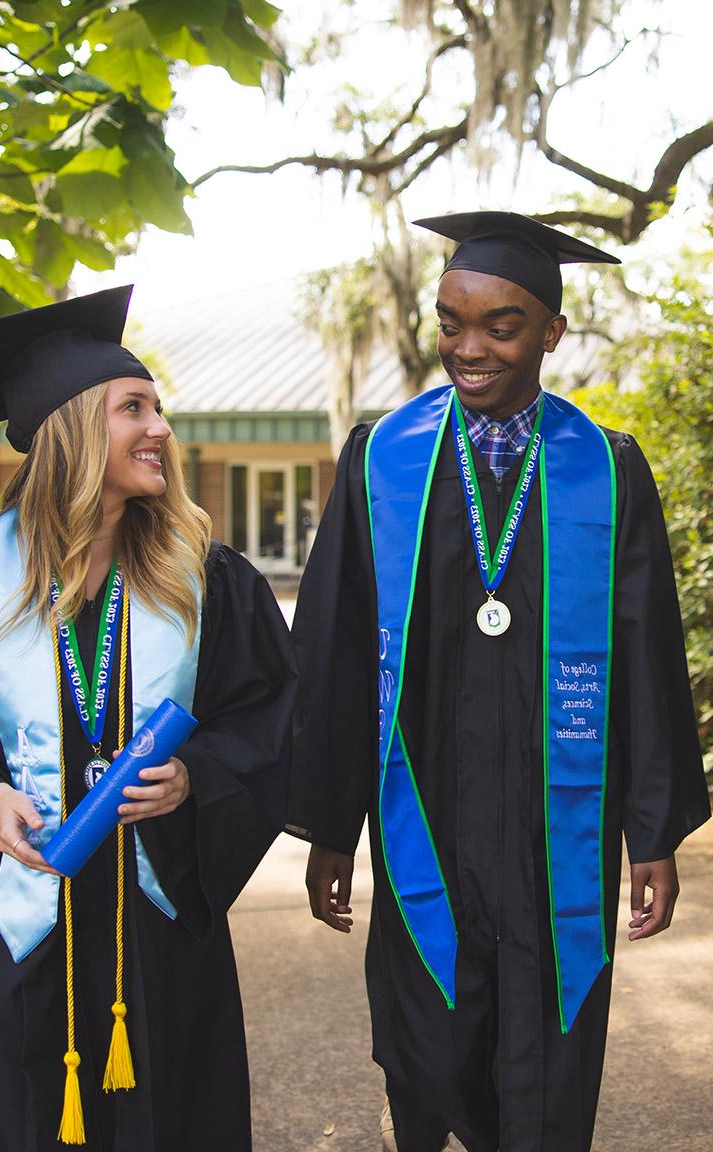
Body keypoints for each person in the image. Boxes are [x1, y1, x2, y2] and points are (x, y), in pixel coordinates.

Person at [287, 212, 710, 1152]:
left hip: (553, 825)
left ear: (552, 331)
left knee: (546, 1057)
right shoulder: (381, 462)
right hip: (422, 815)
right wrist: (330, 825)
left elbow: (645, 652)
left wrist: (652, 828)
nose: (467, 349)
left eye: (499, 326)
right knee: (424, 1053)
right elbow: (337, 652)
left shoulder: (608, 469)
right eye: (449, 323)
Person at [0, 285, 297, 1152]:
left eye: (159, 409)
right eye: (134, 409)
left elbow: (274, 713)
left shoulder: (205, 577)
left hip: (159, 931)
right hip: (22, 935)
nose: (160, 429)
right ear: (71, 434)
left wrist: (198, 774)